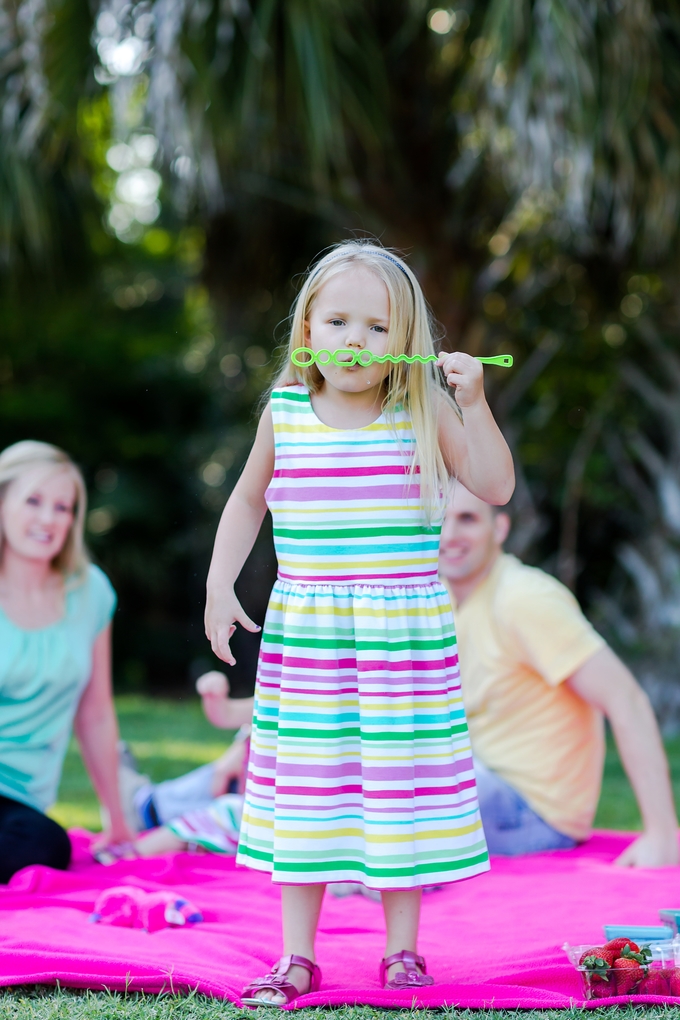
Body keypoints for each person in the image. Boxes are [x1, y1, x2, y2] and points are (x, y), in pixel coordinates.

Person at [204, 241, 515, 1003]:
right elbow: (248, 499)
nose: (354, 339)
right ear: (306, 325)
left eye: (378, 328)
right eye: (337, 319)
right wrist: (220, 584)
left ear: (408, 343)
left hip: (399, 643)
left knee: (394, 786)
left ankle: (402, 950)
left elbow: (495, 484)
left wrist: (473, 404)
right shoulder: (285, 414)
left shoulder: (422, 411)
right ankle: (296, 954)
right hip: (310, 640)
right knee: (307, 789)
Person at [439, 483, 679, 866]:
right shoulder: (444, 600)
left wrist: (663, 835)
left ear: (499, 529)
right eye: (439, 519)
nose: (449, 535)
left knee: (419, 788)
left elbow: (626, 698)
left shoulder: (524, 599)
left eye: (466, 519)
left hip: (532, 813)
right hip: (482, 787)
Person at [0, 440, 133, 882]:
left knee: (44, 845)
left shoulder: (90, 591)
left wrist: (116, 819)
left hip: (18, 802)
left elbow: (95, 714)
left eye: (63, 507)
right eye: (33, 500)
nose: (48, 518)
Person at [102, 671, 254, 860]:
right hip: (246, 786)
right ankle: (141, 804)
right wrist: (215, 699)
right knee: (213, 789)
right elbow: (228, 714)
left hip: (260, 810)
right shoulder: (285, 695)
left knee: (214, 816)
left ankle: (133, 844)